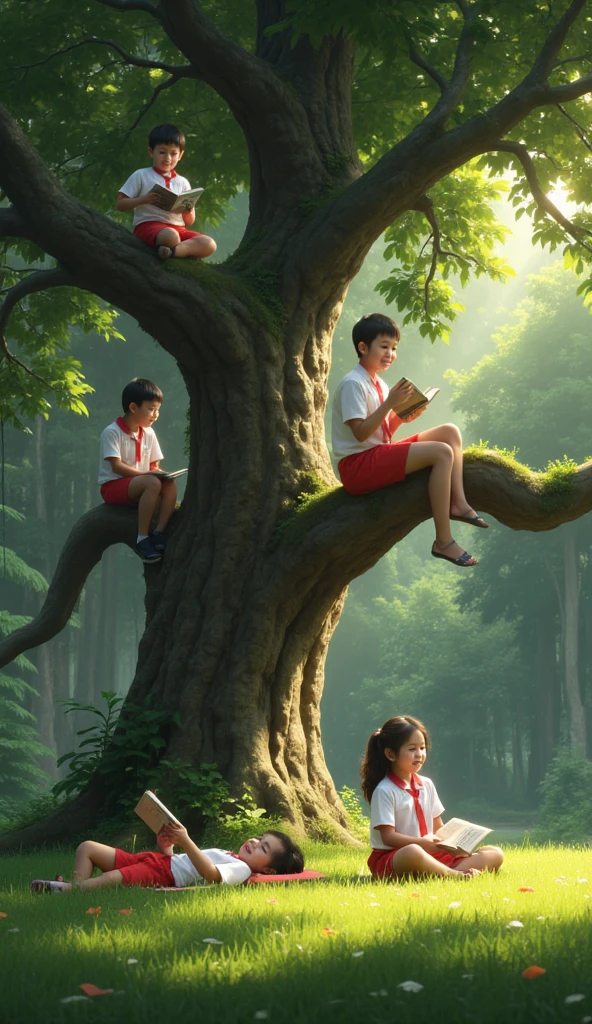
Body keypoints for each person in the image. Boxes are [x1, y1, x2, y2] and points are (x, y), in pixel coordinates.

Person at [332, 312, 488, 567]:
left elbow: (381, 432)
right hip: (356, 466)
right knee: (442, 453)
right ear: (363, 347)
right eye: (384, 347)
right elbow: (360, 433)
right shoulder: (353, 384)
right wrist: (391, 404)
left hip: (376, 453)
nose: (390, 354)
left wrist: (402, 416)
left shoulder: (379, 384)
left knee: (450, 431)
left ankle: (458, 502)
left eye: (393, 348)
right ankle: (444, 541)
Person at [361, 715, 504, 880]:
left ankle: (434, 872)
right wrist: (424, 844)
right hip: (395, 857)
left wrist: (453, 845)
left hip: (432, 853)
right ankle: (455, 875)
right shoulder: (385, 790)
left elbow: (438, 828)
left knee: (494, 854)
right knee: (413, 852)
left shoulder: (426, 784)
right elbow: (388, 837)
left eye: (422, 748)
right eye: (411, 749)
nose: (419, 754)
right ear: (391, 754)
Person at [30, 824, 305, 892]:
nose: (254, 843)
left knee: (113, 878)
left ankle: (65, 891)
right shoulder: (228, 853)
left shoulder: (241, 870)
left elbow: (210, 874)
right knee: (87, 847)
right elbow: (185, 863)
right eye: (259, 839)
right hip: (156, 861)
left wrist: (186, 840)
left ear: (267, 871)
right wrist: (168, 849)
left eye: (263, 849)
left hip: (163, 875)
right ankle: (77, 886)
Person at [98, 377, 177, 564]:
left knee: (170, 484)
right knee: (153, 482)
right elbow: (116, 466)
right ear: (133, 408)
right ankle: (142, 538)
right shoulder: (112, 432)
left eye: (157, 410)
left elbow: (153, 466)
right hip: (113, 486)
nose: (155, 414)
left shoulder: (148, 432)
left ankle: (159, 532)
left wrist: (159, 475)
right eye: (151, 409)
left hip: (142, 483)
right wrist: (148, 476)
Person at [117, 122, 217, 262]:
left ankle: (173, 252)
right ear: (151, 152)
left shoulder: (182, 182)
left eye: (173, 153)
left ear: (180, 155)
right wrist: (143, 200)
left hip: (179, 228)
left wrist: (188, 209)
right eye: (162, 152)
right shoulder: (141, 175)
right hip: (149, 226)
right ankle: (172, 248)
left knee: (209, 244)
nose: (168, 158)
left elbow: (189, 221)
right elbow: (120, 204)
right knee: (171, 236)